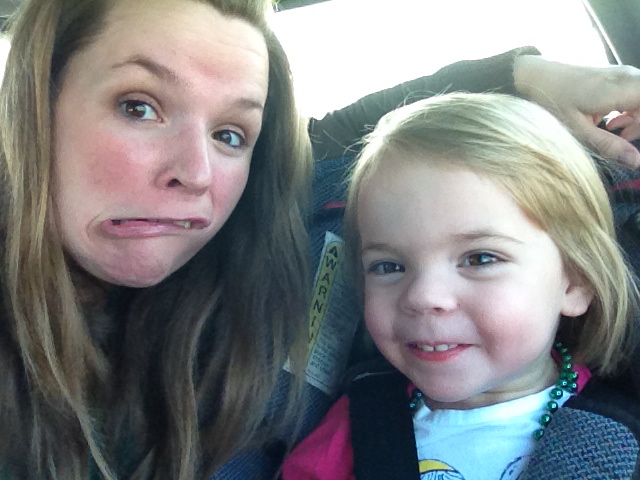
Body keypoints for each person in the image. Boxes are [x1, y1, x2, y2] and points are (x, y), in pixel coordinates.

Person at [2, 0, 640, 478]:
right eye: (138, 106)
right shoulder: (359, 426)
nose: (196, 173)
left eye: (231, 134)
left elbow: (336, 145)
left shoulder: (250, 237)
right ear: (33, 103)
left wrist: (521, 73)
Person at [282, 93, 640, 479]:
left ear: (576, 281)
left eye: (480, 259)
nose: (423, 296)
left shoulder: (617, 436)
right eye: (389, 266)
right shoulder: (357, 428)